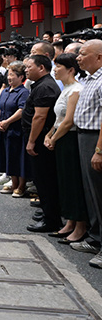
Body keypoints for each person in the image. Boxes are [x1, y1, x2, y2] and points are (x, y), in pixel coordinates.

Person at [44, 53, 87, 243]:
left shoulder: (76, 89)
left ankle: (80, 226)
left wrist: (53, 139)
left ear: (70, 69)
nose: (54, 70)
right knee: (65, 182)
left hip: (70, 139)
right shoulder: (66, 89)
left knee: (73, 182)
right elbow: (58, 119)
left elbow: (69, 121)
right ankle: (69, 223)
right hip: (61, 137)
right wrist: (49, 134)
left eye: (58, 66)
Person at [23, 55, 62, 232]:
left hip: (40, 140)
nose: (26, 70)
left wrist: (31, 141)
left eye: (29, 67)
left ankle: (51, 219)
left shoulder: (45, 87)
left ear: (41, 68)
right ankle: (47, 211)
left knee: (45, 178)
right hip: (39, 137)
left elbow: (40, 117)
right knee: (41, 178)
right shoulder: (40, 84)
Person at [72, 40, 102, 268]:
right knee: (89, 191)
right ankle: (95, 237)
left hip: (95, 139)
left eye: (83, 54)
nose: (78, 58)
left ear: (99, 57)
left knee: (98, 191)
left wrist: (99, 150)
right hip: (83, 136)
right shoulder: (88, 79)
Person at [0, 62, 29, 197]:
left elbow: (22, 110)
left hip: (16, 129)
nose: (9, 78)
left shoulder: (23, 92)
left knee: (17, 157)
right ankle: (13, 183)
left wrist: (7, 122)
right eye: (8, 75)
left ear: (21, 77)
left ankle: (21, 186)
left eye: (12, 75)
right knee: (7, 156)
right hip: (3, 129)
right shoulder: (5, 91)